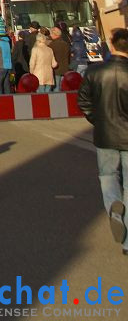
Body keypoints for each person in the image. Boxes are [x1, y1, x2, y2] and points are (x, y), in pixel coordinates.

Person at [78, 28, 128, 254]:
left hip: (105, 134)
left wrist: (98, 120)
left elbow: (84, 101)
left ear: (111, 44)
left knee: (108, 177)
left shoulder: (95, 72)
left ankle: (114, 209)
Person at [49, 26, 71, 91]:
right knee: (63, 87)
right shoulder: (66, 44)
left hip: (56, 69)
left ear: (54, 34)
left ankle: (57, 100)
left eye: (51, 34)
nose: (50, 35)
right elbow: (69, 57)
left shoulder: (51, 45)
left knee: (56, 87)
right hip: (65, 68)